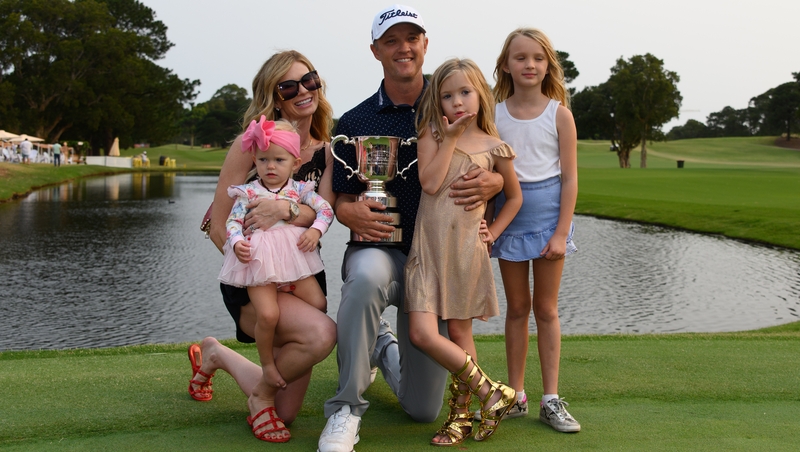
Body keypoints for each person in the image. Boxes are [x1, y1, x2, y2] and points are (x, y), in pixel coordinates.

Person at [318, 5, 505, 452]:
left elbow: (493, 160)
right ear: (376, 50)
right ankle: (346, 408)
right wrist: (348, 212)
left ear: (425, 44)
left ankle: (381, 346)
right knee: (364, 280)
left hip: (438, 260)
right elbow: (340, 197)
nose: (403, 47)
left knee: (421, 409)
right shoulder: (356, 120)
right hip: (381, 250)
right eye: (392, 40)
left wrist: (496, 180)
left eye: (412, 37)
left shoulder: (452, 103)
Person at [188, 50, 337, 443]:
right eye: (288, 86)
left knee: (285, 413)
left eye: (309, 80)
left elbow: (320, 214)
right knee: (321, 335)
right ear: (273, 96)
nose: (302, 91)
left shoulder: (326, 151)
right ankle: (258, 400)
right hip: (255, 279)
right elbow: (217, 225)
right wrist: (256, 271)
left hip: (303, 273)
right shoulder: (253, 143)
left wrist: (285, 209)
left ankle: (217, 356)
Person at [406, 58, 522, 446]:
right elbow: (431, 183)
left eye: (465, 92)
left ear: (481, 94)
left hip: (466, 251)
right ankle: (494, 393)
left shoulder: (495, 146)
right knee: (423, 333)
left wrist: (494, 234)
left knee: (460, 332)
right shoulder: (433, 133)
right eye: (447, 95)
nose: (457, 101)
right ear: (437, 102)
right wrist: (451, 137)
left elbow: (514, 198)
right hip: (427, 248)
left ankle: (460, 417)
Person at [490, 27, 580, 432]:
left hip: (548, 221)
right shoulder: (493, 114)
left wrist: (561, 233)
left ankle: (550, 399)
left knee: (545, 309)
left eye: (538, 58)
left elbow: (571, 180)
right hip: (507, 219)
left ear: (548, 66)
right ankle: (515, 395)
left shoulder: (559, 113)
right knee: (517, 309)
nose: (529, 64)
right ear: (506, 64)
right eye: (521, 57)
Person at [218, 117, 334, 399]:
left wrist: (316, 232)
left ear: (295, 163)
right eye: (263, 160)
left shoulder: (301, 190)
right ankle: (268, 365)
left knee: (319, 302)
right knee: (268, 315)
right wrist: (235, 243)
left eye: (279, 160)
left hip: (292, 264)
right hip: (258, 264)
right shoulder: (247, 193)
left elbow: (326, 211)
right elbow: (231, 223)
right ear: (254, 161)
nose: (270, 166)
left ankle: (277, 351)